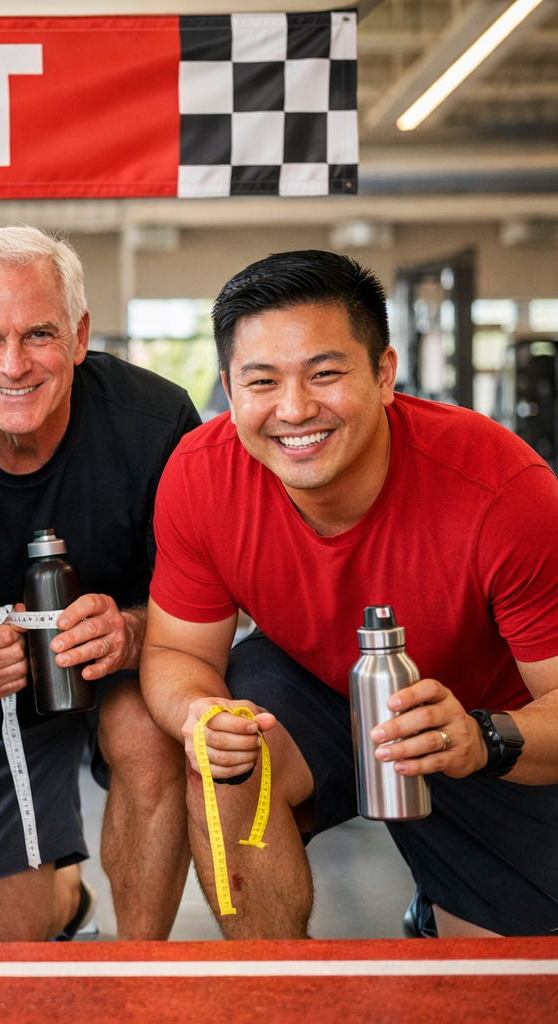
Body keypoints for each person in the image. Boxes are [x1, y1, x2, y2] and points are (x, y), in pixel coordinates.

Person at [142, 250, 558, 939]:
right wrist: (199, 712)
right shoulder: (200, 475)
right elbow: (176, 653)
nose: (295, 409)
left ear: (384, 374)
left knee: (511, 979)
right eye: (262, 381)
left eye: (325, 374)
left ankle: (440, 901)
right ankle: (274, 985)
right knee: (227, 758)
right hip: (312, 687)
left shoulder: (503, 491)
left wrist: (480, 738)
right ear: (229, 390)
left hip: (477, 724)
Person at [0, 227, 202, 942]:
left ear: (80, 336)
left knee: (149, 735)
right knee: (2, 947)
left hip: (127, 667)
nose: (14, 364)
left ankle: (137, 971)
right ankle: (65, 898)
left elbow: (213, 601)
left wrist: (131, 632)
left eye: (40, 334)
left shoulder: (157, 423)